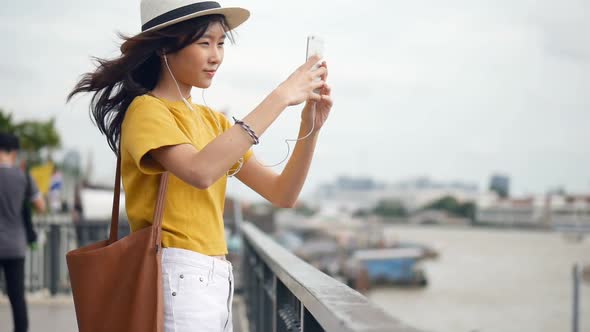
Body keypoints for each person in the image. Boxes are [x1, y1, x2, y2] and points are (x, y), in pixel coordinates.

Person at [67, 0, 332, 331]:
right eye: (204, 43)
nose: (216, 56)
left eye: (221, 43)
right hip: (179, 277)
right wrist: (281, 96)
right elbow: (200, 171)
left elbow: (282, 194)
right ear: (166, 46)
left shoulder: (214, 122)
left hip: (217, 280)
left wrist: (311, 126)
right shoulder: (146, 110)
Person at [0, 132, 46, 332]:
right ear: (14, 152)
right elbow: (40, 206)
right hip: (15, 246)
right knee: (17, 296)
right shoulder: (23, 177)